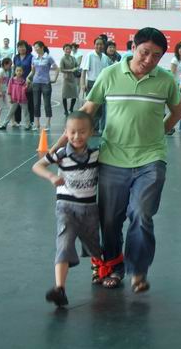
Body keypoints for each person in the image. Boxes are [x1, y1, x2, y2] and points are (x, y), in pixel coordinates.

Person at [51, 27, 181, 292]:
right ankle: (113, 266)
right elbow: (87, 111)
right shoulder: (110, 74)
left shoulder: (166, 80)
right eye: (145, 52)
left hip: (151, 159)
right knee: (110, 220)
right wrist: (58, 147)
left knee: (142, 214)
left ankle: (138, 271)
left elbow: (177, 112)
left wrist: (159, 133)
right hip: (112, 158)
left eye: (157, 56)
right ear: (133, 48)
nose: (149, 60)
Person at [32, 111, 103, 307]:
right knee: (63, 243)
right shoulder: (61, 153)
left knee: (94, 245)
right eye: (72, 132)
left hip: (89, 208)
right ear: (66, 132)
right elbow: (37, 166)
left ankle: (100, 270)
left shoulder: (96, 154)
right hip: (66, 207)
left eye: (82, 132)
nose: (77, 136)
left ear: (91, 132)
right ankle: (60, 288)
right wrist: (51, 177)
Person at [27, 41, 59, 131]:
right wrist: (28, 77)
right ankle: (37, 124)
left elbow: (57, 68)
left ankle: (48, 124)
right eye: (34, 47)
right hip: (36, 83)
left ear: (42, 47)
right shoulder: (34, 58)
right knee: (36, 104)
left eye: (37, 47)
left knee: (47, 103)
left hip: (46, 83)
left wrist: (54, 79)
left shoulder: (48, 58)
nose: (35, 49)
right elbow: (33, 71)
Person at [80, 37, 110, 132]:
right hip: (91, 83)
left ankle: (96, 128)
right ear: (94, 45)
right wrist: (83, 84)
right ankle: (89, 128)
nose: (99, 46)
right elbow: (84, 71)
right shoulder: (90, 55)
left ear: (104, 46)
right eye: (97, 44)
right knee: (91, 107)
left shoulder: (105, 57)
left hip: (102, 84)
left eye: (101, 44)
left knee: (101, 108)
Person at [13, 40, 34, 129]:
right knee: (17, 102)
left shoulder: (31, 57)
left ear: (26, 47)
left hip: (28, 83)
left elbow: (33, 70)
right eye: (19, 47)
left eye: (23, 46)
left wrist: (29, 79)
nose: (21, 48)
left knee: (29, 102)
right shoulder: (16, 57)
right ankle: (17, 120)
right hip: (17, 84)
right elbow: (14, 70)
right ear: (17, 48)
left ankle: (31, 121)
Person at [59, 44, 80, 116]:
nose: (68, 50)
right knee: (64, 95)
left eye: (69, 49)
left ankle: (71, 108)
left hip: (73, 78)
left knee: (74, 95)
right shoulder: (62, 59)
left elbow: (77, 66)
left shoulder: (73, 58)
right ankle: (65, 110)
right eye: (66, 49)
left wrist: (76, 68)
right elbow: (61, 69)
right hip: (66, 79)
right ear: (64, 50)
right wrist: (71, 70)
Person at [0, 57, 12, 128]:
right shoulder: (1, 71)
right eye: (9, 65)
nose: (10, 66)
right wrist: (0, 91)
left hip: (5, 91)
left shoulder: (7, 72)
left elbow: (5, 82)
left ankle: (13, 122)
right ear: (5, 64)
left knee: (11, 106)